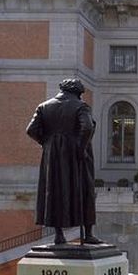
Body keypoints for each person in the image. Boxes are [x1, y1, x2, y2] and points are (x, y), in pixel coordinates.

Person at [26, 78, 102, 245]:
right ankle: (88, 233)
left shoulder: (44, 106)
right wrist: (80, 148)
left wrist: (46, 143)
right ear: (77, 92)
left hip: (52, 155)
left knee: (54, 191)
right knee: (85, 189)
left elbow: (31, 130)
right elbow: (87, 127)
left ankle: (59, 235)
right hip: (76, 153)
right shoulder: (81, 106)